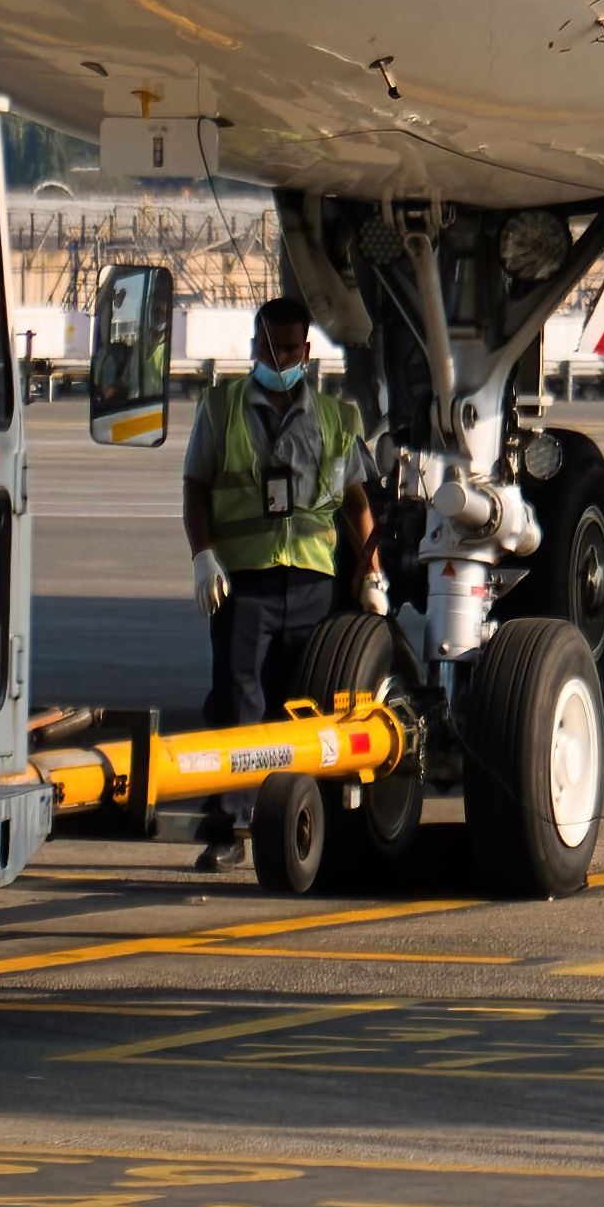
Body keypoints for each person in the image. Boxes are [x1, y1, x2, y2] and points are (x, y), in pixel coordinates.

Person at [183, 295, 373, 869]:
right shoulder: (221, 407)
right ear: (252, 347)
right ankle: (227, 824)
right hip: (245, 581)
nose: (278, 355)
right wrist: (202, 556)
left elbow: (357, 502)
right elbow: (196, 485)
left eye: (289, 347)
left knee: (302, 705)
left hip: (313, 583)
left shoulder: (337, 419)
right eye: (268, 346)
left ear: (306, 351)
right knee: (237, 698)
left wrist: (370, 570)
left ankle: (290, 820)